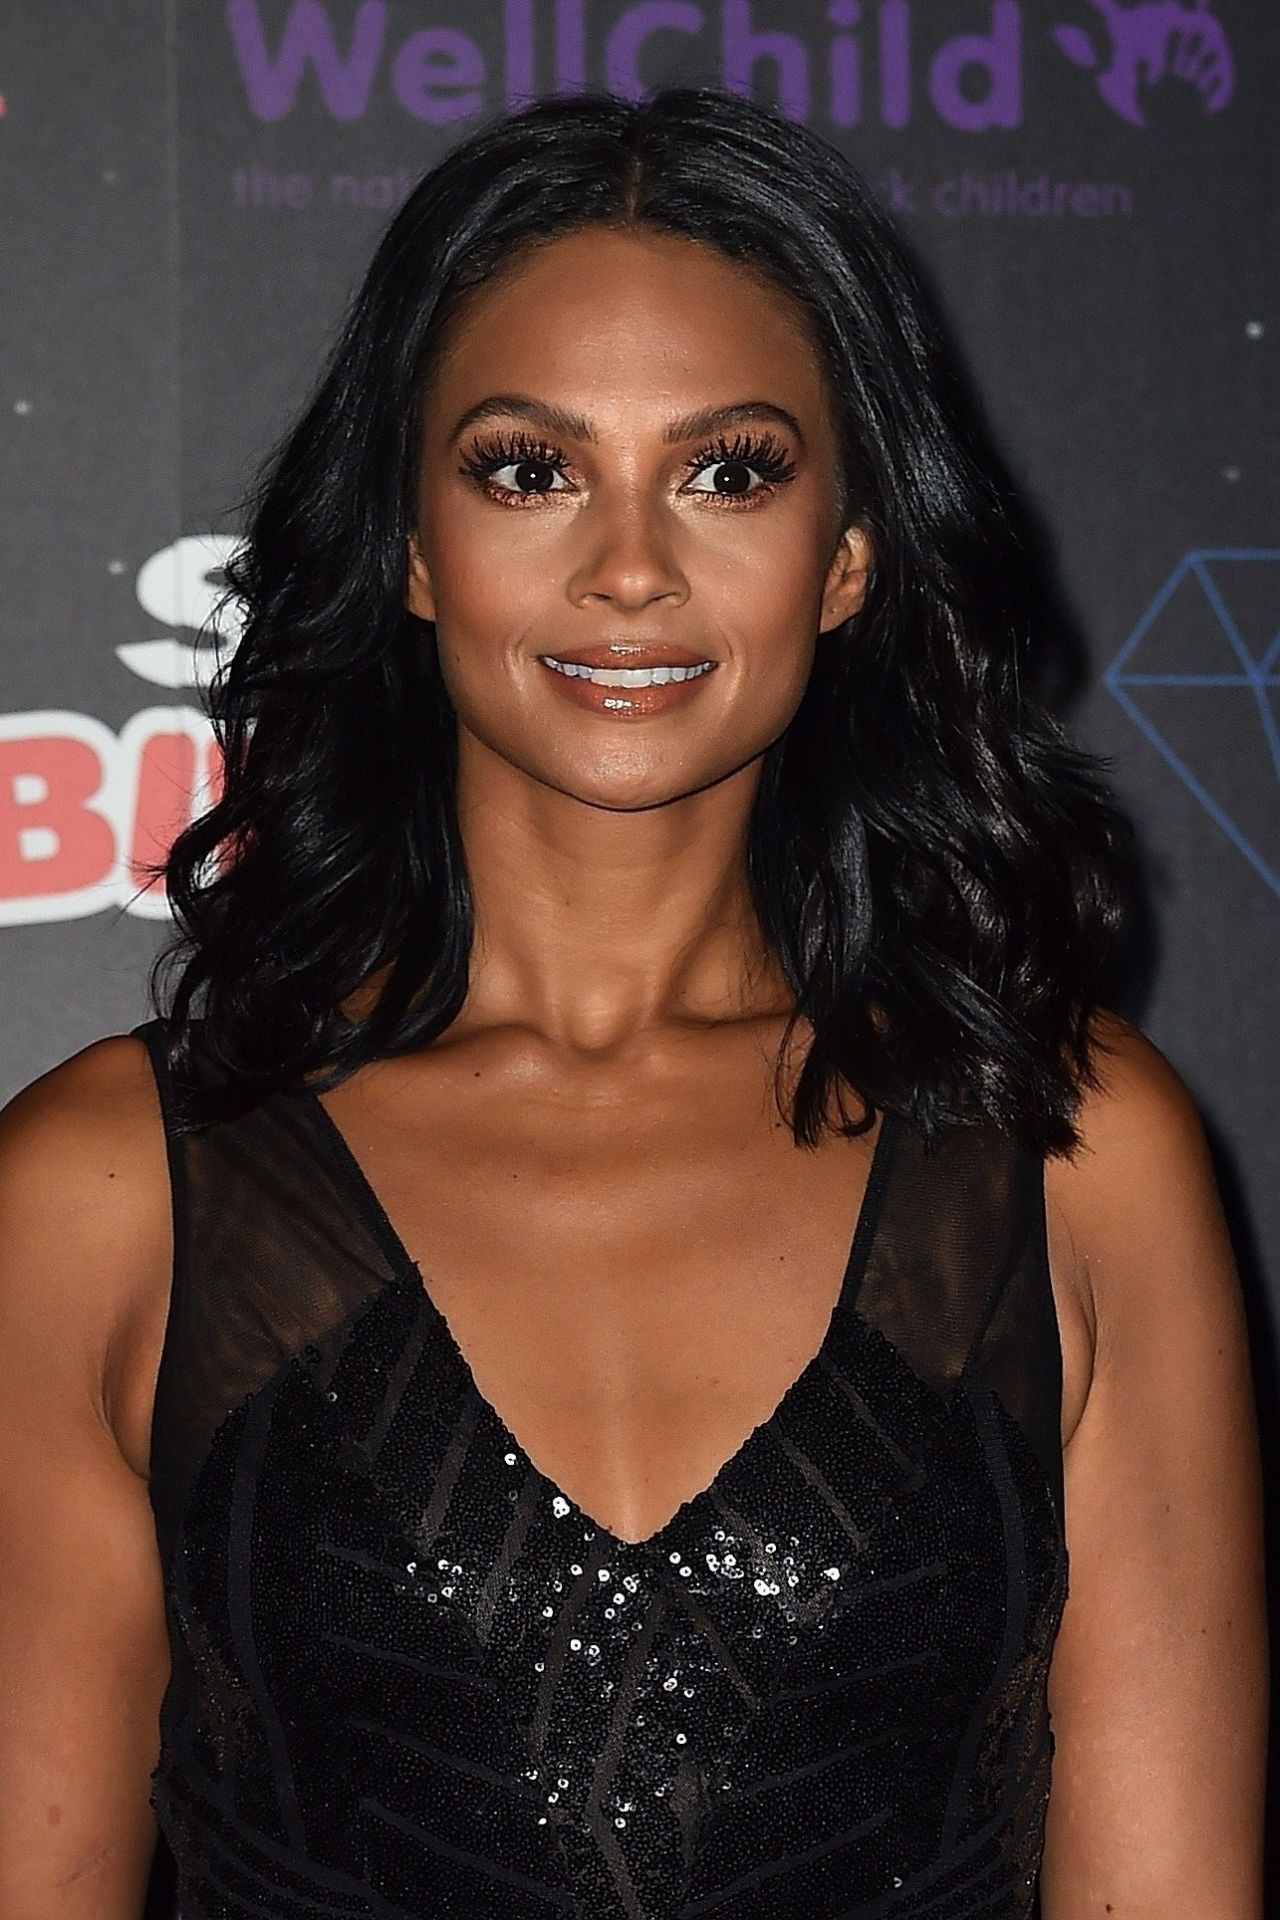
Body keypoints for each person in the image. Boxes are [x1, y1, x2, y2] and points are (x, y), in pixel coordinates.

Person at [0, 83, 1266, 1920]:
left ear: (850, 553)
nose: (629, 567)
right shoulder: (104, 1192)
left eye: (728, 471)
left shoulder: (1072, 1152)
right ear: (410, 541)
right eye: (529, 468)